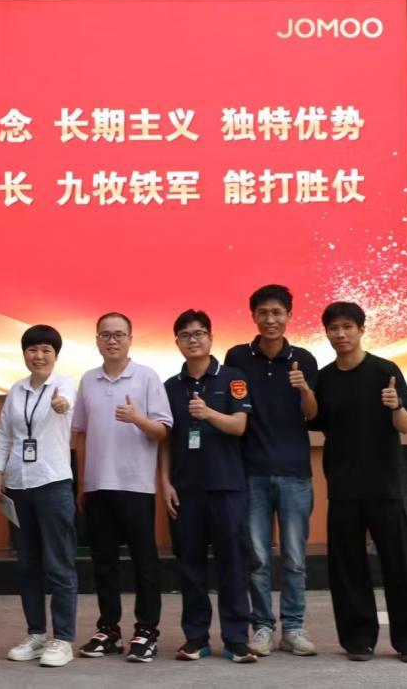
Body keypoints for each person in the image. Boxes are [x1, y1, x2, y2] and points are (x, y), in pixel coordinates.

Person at [310, 301, 407, 663]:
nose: (341, 334)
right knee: (347, 569)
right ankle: (358, 639)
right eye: (334, 328)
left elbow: (405, 426)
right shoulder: (325, 378)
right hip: (343, 486)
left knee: (399, 565)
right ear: (327, 333)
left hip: (384, 485)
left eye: (347, 327)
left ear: (362, 330)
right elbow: (316, 422)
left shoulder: (385, 371)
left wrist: (395, 405)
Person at [223, 284, 319, 656]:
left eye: (277, 312)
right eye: (263, 312)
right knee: (258, 558)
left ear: (289, 315)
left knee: (294, 558)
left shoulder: (304, 359)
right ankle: (262, 627)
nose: (270, 319)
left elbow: (312, 414)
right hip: (252, 473)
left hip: (295, 473)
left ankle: (293, 628)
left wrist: (304, 389)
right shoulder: (237, 357)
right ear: (254, 316)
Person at [73, 312, 172, 663]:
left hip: (135, 485)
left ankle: (146, 631)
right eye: (106, 335)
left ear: (130, 339)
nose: (112, 340)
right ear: (97, 340)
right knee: (104, 563)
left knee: (145, 562)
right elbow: (81, 435)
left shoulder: (147, 377)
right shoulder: (88, 380)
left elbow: (163, 431)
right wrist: (81, 484)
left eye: (119, 334)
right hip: (97, 486)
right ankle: (108, 629)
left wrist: (137, 419)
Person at [160, 310, 256, 664]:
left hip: (228, 487)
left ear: (211, 338)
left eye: (199, 333)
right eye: (185, 335)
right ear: (177, 343)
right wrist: (165, 482)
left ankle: (236, 639)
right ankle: (195, 638)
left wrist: (208, 413)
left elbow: (240, 426)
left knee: (233, 565)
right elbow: (165, 440)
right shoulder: (170, 386)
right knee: (190, 566)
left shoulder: (233, 378)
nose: (193, 340)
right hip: (186, 490)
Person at [0, 325, 80, 668]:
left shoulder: (65, 384)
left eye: (46, 350)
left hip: (52, 483)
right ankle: (37, 635)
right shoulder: (17, 390)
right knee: (28, 565)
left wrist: (60, 404)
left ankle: (63, 639)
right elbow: (4, 433)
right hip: (18, 486)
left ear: (55, 355)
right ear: (24, 353)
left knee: (59, 564)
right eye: (32, 349)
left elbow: (66, 405)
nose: (38, 356)